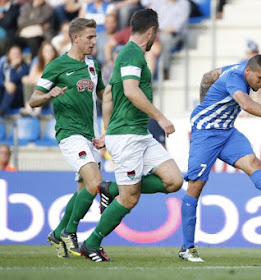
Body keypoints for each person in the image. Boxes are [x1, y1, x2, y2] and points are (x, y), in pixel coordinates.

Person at [178, 54, 261, 262]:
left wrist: (206, 100)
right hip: (206, 132)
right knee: (196, 185)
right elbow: (247, 105)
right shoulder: (235, 78)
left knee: (253, 163)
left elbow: (207, 76)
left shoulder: (241, 68)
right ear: (248, 72)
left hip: (227, 131)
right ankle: (187, 248)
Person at [82, 8, 183, 262]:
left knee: (174, 180)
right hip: (127, 136)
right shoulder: (130, 53)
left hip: (137, 134)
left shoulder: (130, 55)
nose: (154, 39)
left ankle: (111, 187)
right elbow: (129, 90)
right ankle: (91, 243)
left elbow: (107, 97)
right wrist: (160, 118)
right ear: (151, 32)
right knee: (130, 198)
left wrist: (106, 131)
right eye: (155, 34)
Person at [28, 18, 109, 259]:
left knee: (84, 190)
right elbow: (33, 99)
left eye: (95, 37)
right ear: (75, 38)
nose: (94, 41)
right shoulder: (57, 65)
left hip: (91, 134)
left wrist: (110, 127)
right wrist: (48, 94)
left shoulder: (94, 65)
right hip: (69, 132)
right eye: (90, 37)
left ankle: (56, 233)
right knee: (95, 183)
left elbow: (105, 95)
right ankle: (69, 232)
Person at [21, 41, 58, 117]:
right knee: (29, 84)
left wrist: (37, 80)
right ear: (42, 53)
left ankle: (37, 111)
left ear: (54, 52)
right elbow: (29, 79)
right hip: (37, 96)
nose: (49, 52)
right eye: (46, 51)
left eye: (51, 50)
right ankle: (29, 109)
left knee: (41, 85)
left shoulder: (57, 64)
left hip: (50, 96)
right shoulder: (37, 63)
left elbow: (50, 81)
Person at [0, 45, 29, 116]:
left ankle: (1, 111)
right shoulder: (4, 65)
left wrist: (13, 67)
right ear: (8, 55)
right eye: (13, 53)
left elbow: (13, 80)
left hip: (17, 96)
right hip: (3, 95)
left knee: (11, 87)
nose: (16, 56)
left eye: (18, 53)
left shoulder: (24, 67)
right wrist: (5, 84)